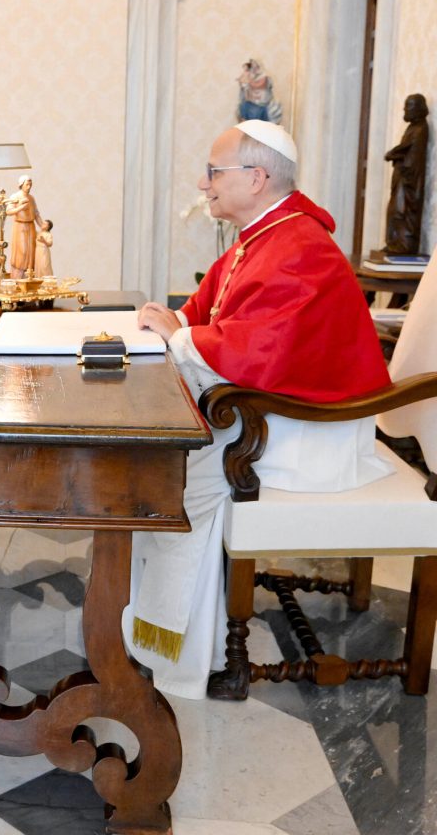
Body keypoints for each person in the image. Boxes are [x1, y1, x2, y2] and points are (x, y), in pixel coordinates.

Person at [128, 119, 392, 699]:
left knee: (174, 477)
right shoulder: (261, 235)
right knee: (157, 461)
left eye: (214, 172)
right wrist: (172, 327)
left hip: (308, 433)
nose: (204, 184)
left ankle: (177, 657)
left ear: (257, 176)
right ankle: (151, 634)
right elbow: (210, 315)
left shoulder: (297, 248)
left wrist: (179, 336)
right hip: (277, 413)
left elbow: (258, 353)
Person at [383, 93, 429, 255]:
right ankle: (394, 243)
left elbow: (411, 156)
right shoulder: (413, 127)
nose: (404, 110)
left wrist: (394, 155)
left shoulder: (421, 129)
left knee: (401, 212)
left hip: (408, 181)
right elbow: (405, 147)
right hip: (402, 179)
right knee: (394, 211)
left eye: (408, 107)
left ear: (418, 109)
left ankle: (403, 245)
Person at [5, 175, 44, 279]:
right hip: (20, 227)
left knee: (32, 251)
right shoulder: (15, 196)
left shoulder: (31, 198)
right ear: (21, 184)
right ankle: (18, 277)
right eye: (27, 184)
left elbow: (36, 214)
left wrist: (42, 226)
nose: (29, 186)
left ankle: (29, 277)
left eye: (30, 184)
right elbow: (8, 211)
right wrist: (21, 207)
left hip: (31, 226)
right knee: (22, 252)